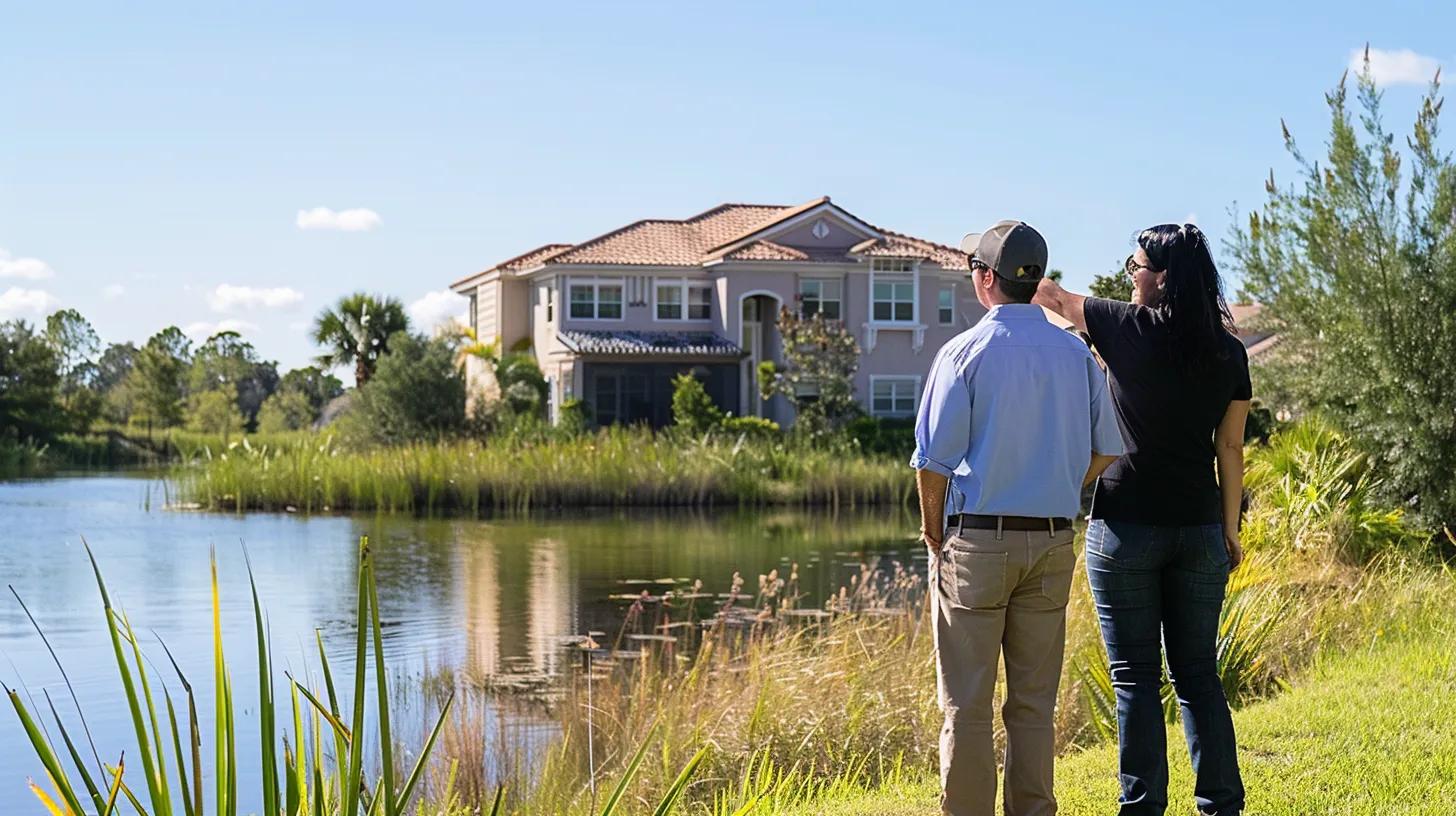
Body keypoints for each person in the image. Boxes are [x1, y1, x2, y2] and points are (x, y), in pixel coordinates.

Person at [1034, 223, 1250, 816]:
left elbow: (1049, 296)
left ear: (1163, 277)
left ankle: (1142, 808)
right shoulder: (1229, 351)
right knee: (1198, 675)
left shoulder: (1127, 326)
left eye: (1136, 267)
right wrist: (1230, 530)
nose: (1130, 276)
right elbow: (1230, 448)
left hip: (1125, 526)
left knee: (1134, 678)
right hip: (1200, 529)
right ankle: (1222, 806)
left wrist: (1008, 263)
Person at [911, 220, 1124, 816]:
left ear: (986, 279)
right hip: (1051, 543)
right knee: (1034, 703)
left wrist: (933, 533)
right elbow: (1108, 448)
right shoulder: (1076, 354)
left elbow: (932, 462)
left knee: (967, 704)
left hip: (976, 544)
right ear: (1035, 280)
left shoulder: (963, 353)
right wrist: (1060, 485)